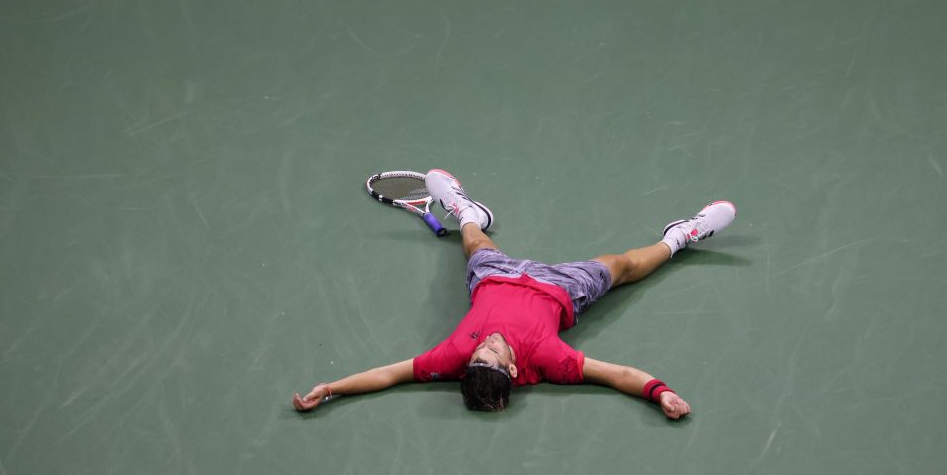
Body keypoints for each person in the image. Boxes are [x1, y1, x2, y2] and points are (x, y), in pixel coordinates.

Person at [292, 169, 736, 419]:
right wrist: (661, 394)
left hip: (494, 274)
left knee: (474, 244)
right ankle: (682, 235)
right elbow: (618, 375)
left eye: (476, 357)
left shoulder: (453, 360)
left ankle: (467, 211)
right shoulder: (550, 361)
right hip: (561, 287)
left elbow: (387, 374)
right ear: (514, 366)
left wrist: (331, 388)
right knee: (621, 266)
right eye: (489, 355)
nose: (482, 347)